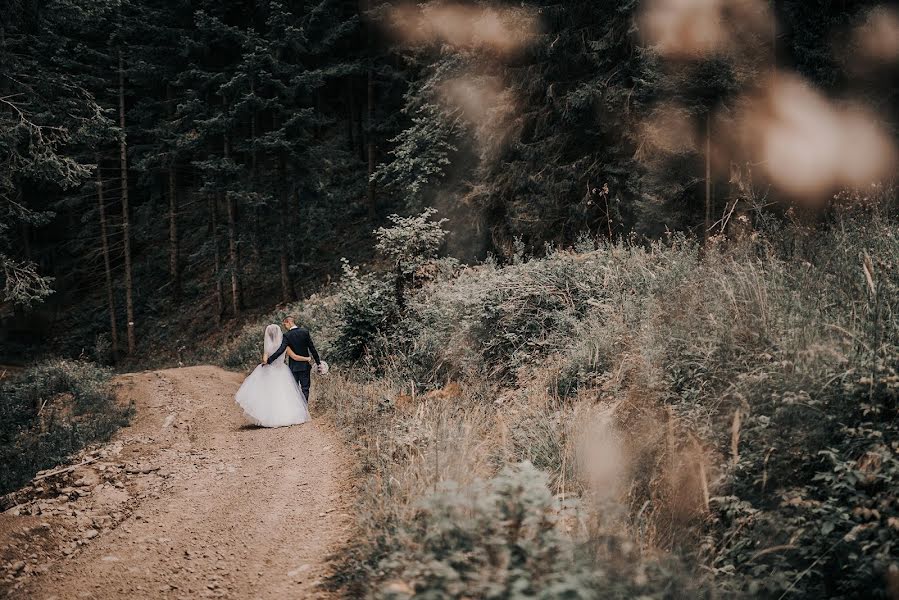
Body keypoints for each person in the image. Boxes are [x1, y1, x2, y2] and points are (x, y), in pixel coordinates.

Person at [234, 324, 310, 427]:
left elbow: (265, 360)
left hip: (270, 371)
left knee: (268, 394)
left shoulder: (268, 347)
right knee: (284, 394)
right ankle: (287, 416)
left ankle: (267, 418)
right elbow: (295, 357)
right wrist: (307, 358)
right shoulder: (285, 346)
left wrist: (267, 360)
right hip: (282, 371)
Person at [264, 315, 321, 402]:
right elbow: (312, 348)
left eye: (285, 324)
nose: (285, 327)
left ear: (289, 322)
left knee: (294, 389)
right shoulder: (305, 332)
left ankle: (297, 408)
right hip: (305, 366)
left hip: (294, 367)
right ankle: (304, 408)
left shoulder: (287, 335)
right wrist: (318, 363)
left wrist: (269, 360)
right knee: (305, 388)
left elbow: (281, 349)